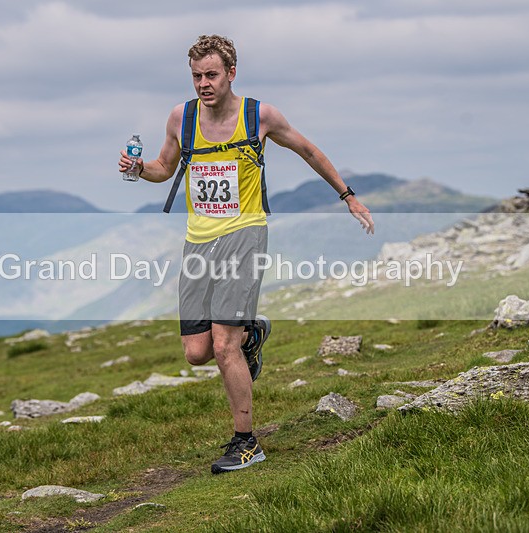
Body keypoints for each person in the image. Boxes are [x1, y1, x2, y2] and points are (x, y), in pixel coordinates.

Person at [118, 34, 374, 474]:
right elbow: (164, 168)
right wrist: (140, 169)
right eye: (196, 76)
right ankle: (252, 334)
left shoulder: (260, 116)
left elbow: (308, 151)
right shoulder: (181, 117)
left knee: (223, 346)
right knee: (196, 352)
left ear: (231, 73)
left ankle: (246, 442)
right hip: (198, 241)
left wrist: (348, 196)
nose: (204, 84)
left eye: (211, 75)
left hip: (245, 234)